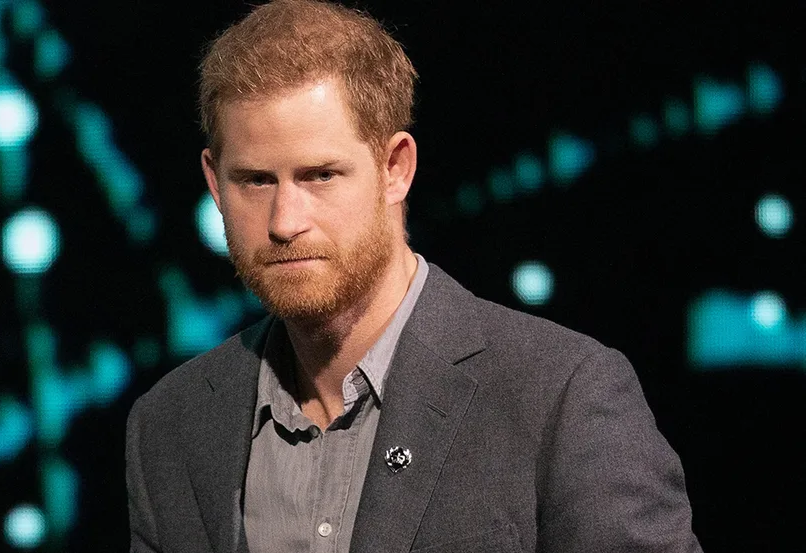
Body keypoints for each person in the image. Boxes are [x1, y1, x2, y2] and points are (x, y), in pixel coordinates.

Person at [125, 1, 702, 551]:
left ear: (395, 168)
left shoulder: (560, 397)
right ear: (213, 183)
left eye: (321, 175)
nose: (284, 222)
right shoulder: (171, 426)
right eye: (255, 181)